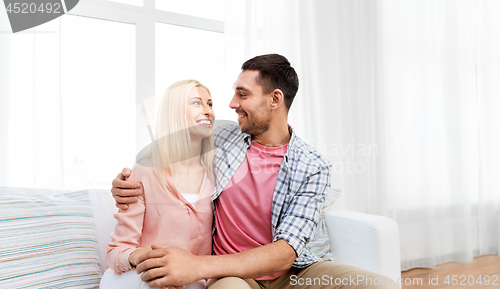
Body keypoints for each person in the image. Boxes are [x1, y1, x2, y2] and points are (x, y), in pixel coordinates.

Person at [111, 54, 400, 289]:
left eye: (242, 94)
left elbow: (285, 253)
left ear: (274, 100)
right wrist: (125, 182)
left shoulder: (313, 166)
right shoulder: (223, 137)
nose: (231, 103)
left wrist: (195, 266)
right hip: (232, 273)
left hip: (293, 272)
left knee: (382, 286)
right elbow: (167, 147)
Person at [100, 79, 215, 289]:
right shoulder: (144, 172)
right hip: (139, 276)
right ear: (175, 112)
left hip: (192, 281)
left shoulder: (217, 176)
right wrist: (148, 260)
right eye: (197, 103)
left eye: (210, 104)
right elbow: (116, 251)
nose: (208, 111)